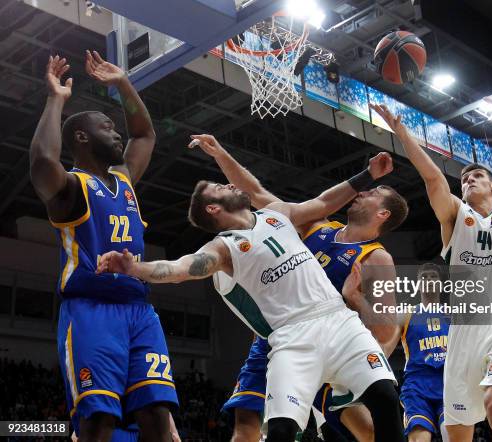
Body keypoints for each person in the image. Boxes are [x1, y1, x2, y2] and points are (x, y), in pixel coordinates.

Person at [96, 156, 406, 442]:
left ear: (383, 214)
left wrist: (367, 174)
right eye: (220, 187)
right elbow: (180, 268)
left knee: (385, 399)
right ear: (214, 209)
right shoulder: (226, 247)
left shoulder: (287, 218)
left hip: (338, 322)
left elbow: (322, 199)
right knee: (280, 430)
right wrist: (135, 267)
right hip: (288, 335)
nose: (229, 185)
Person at [187, 134, 408, 442]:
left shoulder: (377, 257)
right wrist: (220, 153)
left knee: (370, 430)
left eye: (373, 193)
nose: (363, 193)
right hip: (280, 341)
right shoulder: (315, 225)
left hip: (334, 344)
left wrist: (354, 299)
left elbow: (386, 332)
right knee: (246, 428)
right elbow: (256, 194)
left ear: (382, 214)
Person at [371, 75, 492, 442]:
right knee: (456, 432)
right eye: (464, 179)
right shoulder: (455, 218)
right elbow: (432, 179)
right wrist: (401, 132)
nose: (469, 180)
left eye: (477, 176)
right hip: (462, 335)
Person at [29, 52, 178, 442]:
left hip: (140, 311)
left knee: (158, 420)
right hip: (91, 311)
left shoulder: (124, 180)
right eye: (108, 127)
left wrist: (124, 84)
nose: (117, 134)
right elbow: (43, 160)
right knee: (98, 423)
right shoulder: (71, 188)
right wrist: (55, 99)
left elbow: (144, 135)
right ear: (81, 137)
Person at [398, 263, 449, 442]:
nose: (428, 280)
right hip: (417, 384)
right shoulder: (406, 314)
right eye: (424, 277)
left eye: (433, 277)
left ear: (441, 283)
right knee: (420, 438)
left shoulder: (453, 315)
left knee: (452, 434)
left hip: (449, 382)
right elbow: (384, 344)